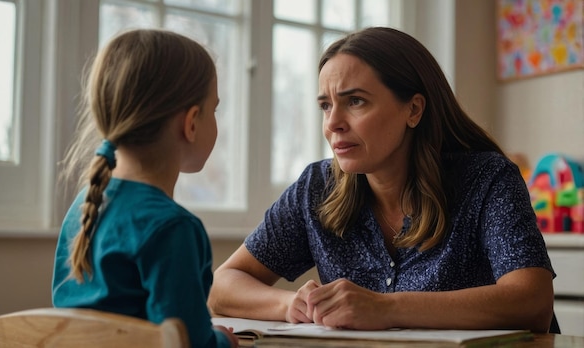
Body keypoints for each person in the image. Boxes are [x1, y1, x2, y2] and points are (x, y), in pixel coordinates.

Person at [208, 27, 556, 333]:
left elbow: (532, 302)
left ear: (414, 110)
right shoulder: (316, 187)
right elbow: (223, 285)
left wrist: (386, 307)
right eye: (326, 106)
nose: (333, 124)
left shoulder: (488, 178)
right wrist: (290, 306)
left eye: (355, 101)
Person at [52, 29, 238, 348]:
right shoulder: (172, 228)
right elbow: (190, 344)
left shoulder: (84, 207)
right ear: (191, 122)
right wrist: (222, 341)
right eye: (214, 109)